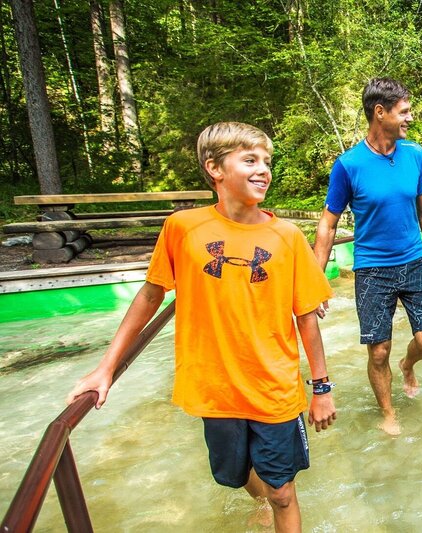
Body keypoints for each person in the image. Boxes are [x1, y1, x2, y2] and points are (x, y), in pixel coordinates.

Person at [66, 122, 336, 532]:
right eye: (250, 160)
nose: (264, 169)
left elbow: (306, 317)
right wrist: (106, 368)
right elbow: (150, 295)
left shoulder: (287, 236)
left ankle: (274, 500)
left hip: (274, 387)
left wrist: (321, 388)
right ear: (214, 168)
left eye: (267, 161)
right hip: (215, 388)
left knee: (283, 491)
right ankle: (260, 498)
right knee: (235, 475)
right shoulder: (183, 228)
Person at [314, 78, 422, 436]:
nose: (410, 118)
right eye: (404, 112)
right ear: (380, 112)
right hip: (372, 269)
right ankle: (388, 412)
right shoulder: (349, 165)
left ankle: (408, 365)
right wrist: (315, 281)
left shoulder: (415, 155)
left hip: (414, 261)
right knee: (378, 352)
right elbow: (327, 225)